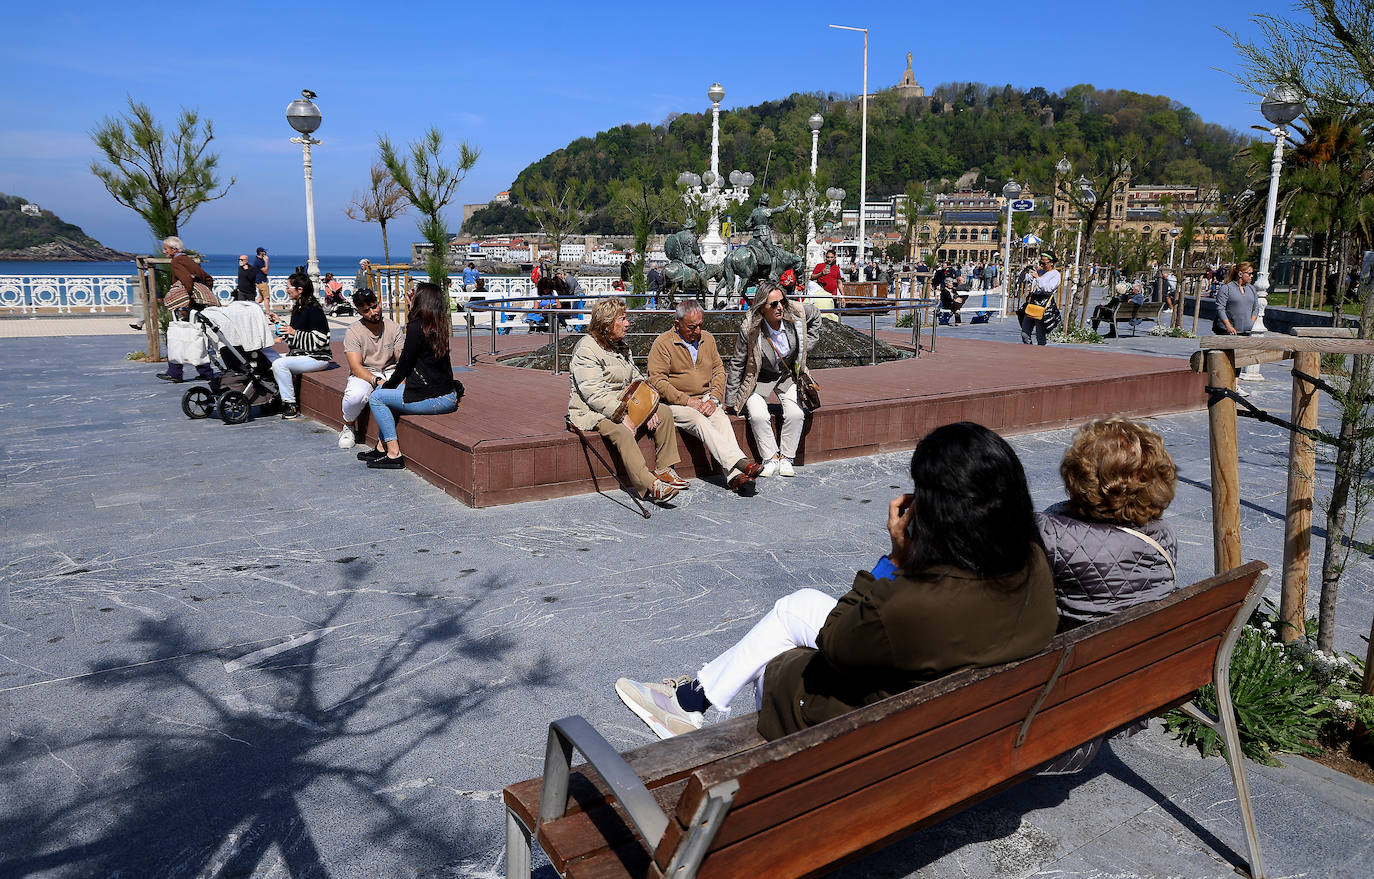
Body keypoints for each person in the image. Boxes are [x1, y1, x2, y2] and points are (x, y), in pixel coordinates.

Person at [614, 421, 1058, 740]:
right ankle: (694, 698)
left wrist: (895, 559)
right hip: (974, 726)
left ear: (942, 511)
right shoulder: (1033, 562)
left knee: (781, 657)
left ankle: (692, 703)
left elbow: (839, 642)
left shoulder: (912, 605)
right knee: (798, 605)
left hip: (877, 738)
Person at [1037, 417, 1179, 628]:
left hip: (1075, 656)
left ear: (1080, 472)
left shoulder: (1052, 533)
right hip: (1145, 651)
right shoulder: (1164, 534)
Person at [568, 298, 685, 503]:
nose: (627, 323)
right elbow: (594, 395)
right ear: (607, 322)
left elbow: (637, 378)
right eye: (622, 319)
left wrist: (648, 408)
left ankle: (665, 470)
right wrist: (624, 416)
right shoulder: (587, 349)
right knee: (621, 431)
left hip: (624, 405)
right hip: (592, 411)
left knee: (664, 412)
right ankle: (649, 484)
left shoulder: (620, 346)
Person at [648, 299, 764, 495]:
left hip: (704, 397)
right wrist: (687, 401)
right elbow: (657, 381)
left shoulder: (707, 339)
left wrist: (715, 399)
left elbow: (719, 371)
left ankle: (735, 477)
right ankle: (739, 462)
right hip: (673, 404)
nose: (698, 330)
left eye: (701, 325)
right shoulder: (663, 343)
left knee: (720, 418)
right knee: (699, 420)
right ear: (677, 324)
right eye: (692, 327)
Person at [358, 281, 462, 470]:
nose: (411, 296)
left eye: (416, 295)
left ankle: (393, 454)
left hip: (435, 398)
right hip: (445, 394)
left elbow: (404, 366)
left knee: (377, 398)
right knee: (386, 393)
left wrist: (387, 386)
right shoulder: (437, 324)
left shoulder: (416, 327)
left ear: (422, 301)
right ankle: (381, 447)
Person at [725, 282, 822, 478]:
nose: (780, 306)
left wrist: (806, 347)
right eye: (774, 304)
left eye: (782, 301)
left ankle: (787, 458)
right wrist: (730, 400)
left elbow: (817, 316)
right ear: (762, 306)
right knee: (759, 415)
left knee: (796, 413)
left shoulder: (795, 312)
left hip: (788, 375)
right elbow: (737, 362)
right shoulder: (750, 328)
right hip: (759, 378)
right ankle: (770, 458)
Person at [337, 289, 404, 450]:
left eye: (374, 307)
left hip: (390, 369)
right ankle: (348, 425)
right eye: (366, 310)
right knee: (355, 396)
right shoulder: (354, 331)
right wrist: (377, 381)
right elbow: (355, 366)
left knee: (403, 392)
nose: (372, 312)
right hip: (365, 371)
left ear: (378, 302)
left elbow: (401, 360)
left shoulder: (393, 327)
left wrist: (400, 380)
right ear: (359, 311)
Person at [266, 272, 333, 419]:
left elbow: (320, 341)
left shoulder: (314, 310)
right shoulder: (298, 308)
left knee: (279, 364)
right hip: (300, 355)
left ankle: (290, 404)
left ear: (300, 289)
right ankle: (273, 397)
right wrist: (279, 322)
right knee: (264, 355)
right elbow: (293, 337)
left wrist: (293, 332)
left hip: (317, 358)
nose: (286, 289)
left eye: (288, 287)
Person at [156, 236, 219, 383]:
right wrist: (203, 294)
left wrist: (188, 300)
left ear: (173, 249)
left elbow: (187, 280)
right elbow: (208, 278)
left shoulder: (176, 261)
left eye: (165, 249)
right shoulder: (188, 260)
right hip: (198, 306)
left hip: (187, 306)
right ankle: (205, 372)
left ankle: (175, 372)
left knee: (177, 336)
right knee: (196, 337)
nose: (164, 252)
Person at [1019, 251, 1061, 346]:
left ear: (1051, 263)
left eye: (1044, 263)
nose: (1042, 265)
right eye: (1040, 263)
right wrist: (1025, 271)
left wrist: (1038, 278)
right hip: (1032, 302)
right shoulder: (1039, 271)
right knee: (1024, 333)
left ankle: (1040, 354)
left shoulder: (1056, 275)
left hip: (1043, 305)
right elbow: (1026, 279)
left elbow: (1048, 288)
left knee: (1040, 335)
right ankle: (1029, 350)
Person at [1213, 261, 1258, 336]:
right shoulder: (1226, 288)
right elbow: (1220, 308)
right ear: (1240, 274)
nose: (1252, 276)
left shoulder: (1252, 289)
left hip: (1245, 331)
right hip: (1227, 331)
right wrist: (1228, 326)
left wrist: (1251, 323)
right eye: (1249, 274)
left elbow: (1256, 308)